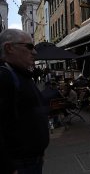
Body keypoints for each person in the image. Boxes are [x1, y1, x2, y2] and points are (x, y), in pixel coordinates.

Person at [0, 29, 50, 173]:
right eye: (29, 47)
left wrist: (39, 150)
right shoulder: (5, 77)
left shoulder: (21, 74)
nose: (34, 52)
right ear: (9, 48)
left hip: (32, 160)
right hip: (19, 165)